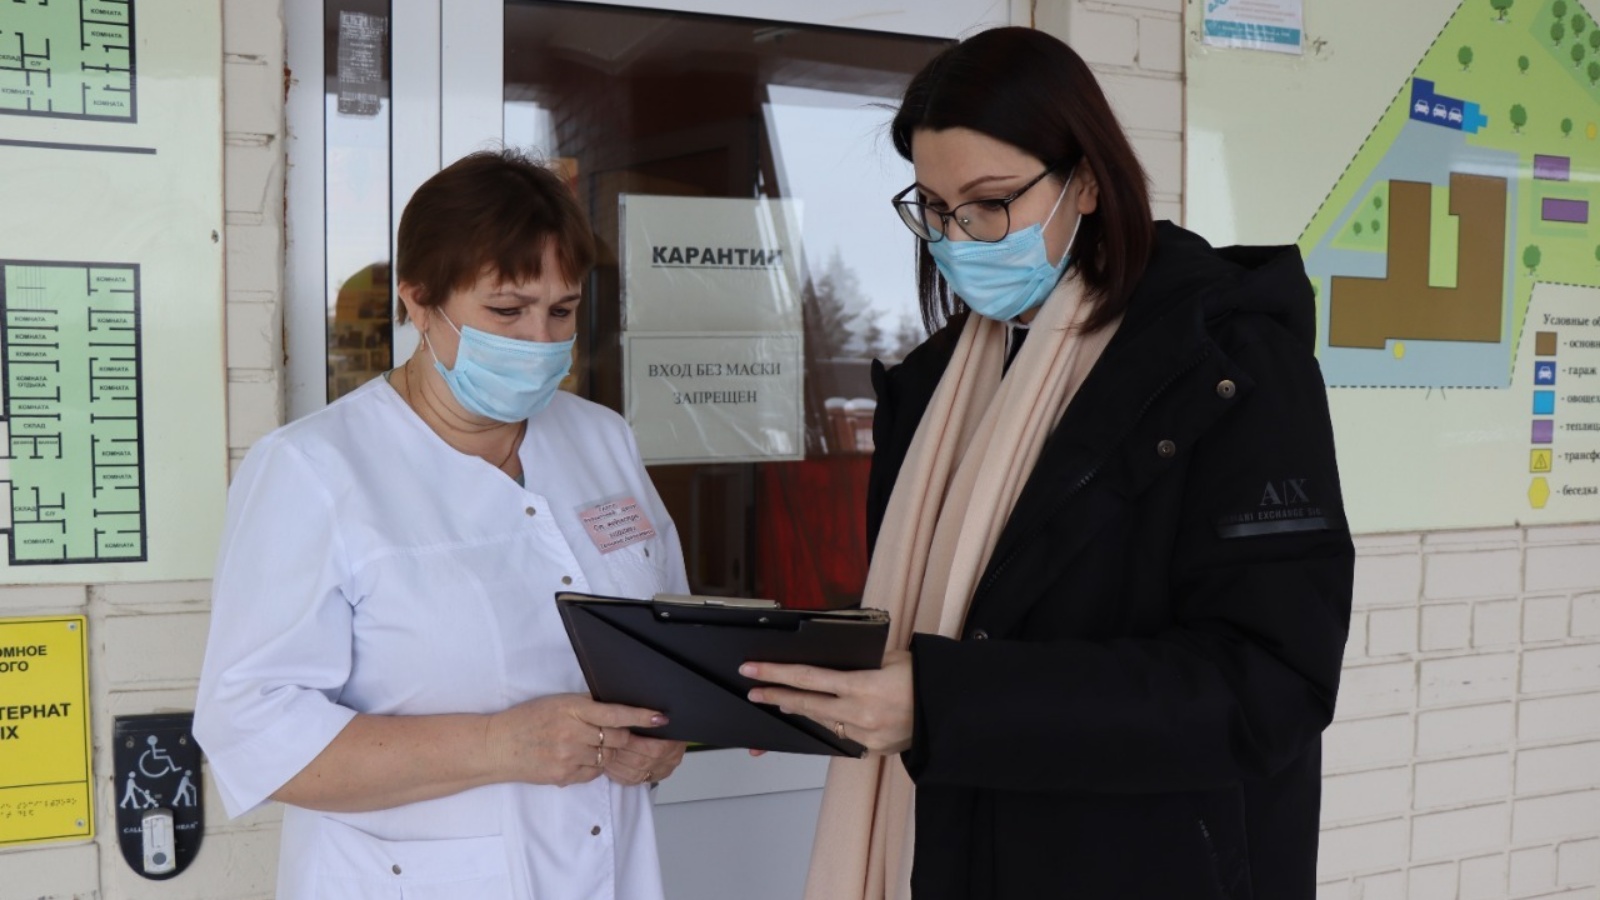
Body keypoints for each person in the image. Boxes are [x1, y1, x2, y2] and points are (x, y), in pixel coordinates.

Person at [740, 27, 1354, 900]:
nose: (958, 237)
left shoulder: (1229, 367)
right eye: (934, 208)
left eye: (989, 203)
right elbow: (959, 619)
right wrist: (818, 680)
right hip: (960, 851)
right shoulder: (932, 387)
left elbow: (1268, 685)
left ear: (1089, 180)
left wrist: (944, 704)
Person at [195, 150, 689, 900]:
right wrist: (498, 744)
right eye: (507, 311)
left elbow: (672, 639)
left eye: (561, 311)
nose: (540, 341)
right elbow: (251, 732)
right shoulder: (312, 470)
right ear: (419, 302)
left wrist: (665, 737)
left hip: (611, 868)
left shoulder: (601, 440)